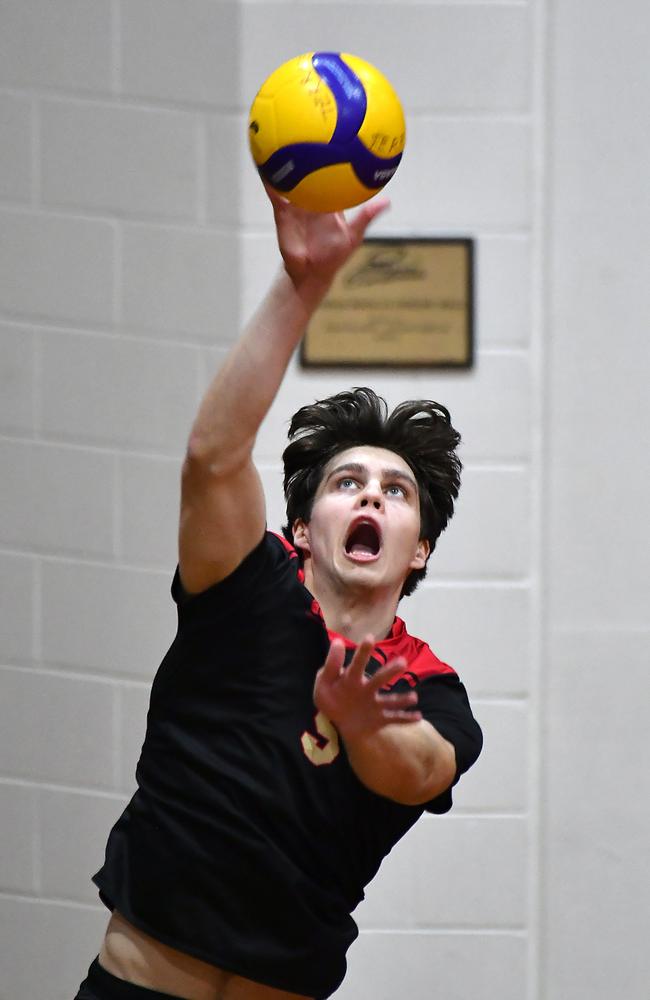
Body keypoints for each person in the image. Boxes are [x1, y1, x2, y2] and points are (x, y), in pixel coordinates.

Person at [75, 189, 482, 1000]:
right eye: (347, 482)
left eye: (397, 492)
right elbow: (213, 456)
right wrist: (302, 287)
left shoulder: (429, 689)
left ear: (420, 550)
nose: (371, 498)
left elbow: (422, 773)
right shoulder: (244, 589)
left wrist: (369, 726)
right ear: (300, 527)